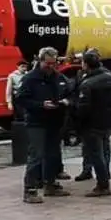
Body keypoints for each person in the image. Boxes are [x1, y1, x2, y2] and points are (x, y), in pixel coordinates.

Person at [18, 47, 72, 203]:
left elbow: (69, 93)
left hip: (55, 122)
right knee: (36, 155)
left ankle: (50, 184)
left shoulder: (59, 77)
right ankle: (30, 189)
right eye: (47, 63)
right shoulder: (30, 78)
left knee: (52, 154)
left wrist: (66, 102)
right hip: (37, 122)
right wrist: (41, 105)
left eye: (53, 63)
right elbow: (21, 99)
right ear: (40, 61)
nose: (50, 66)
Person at [74, 50, 111, 197]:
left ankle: (103, 184)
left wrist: (76, 122)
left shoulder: (87, 83)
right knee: (104, 152)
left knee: (96, 155)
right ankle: (105, 180)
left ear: (86, 64)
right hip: (106, 120)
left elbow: (83, 107)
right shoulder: (110, 77)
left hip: (91, 123)